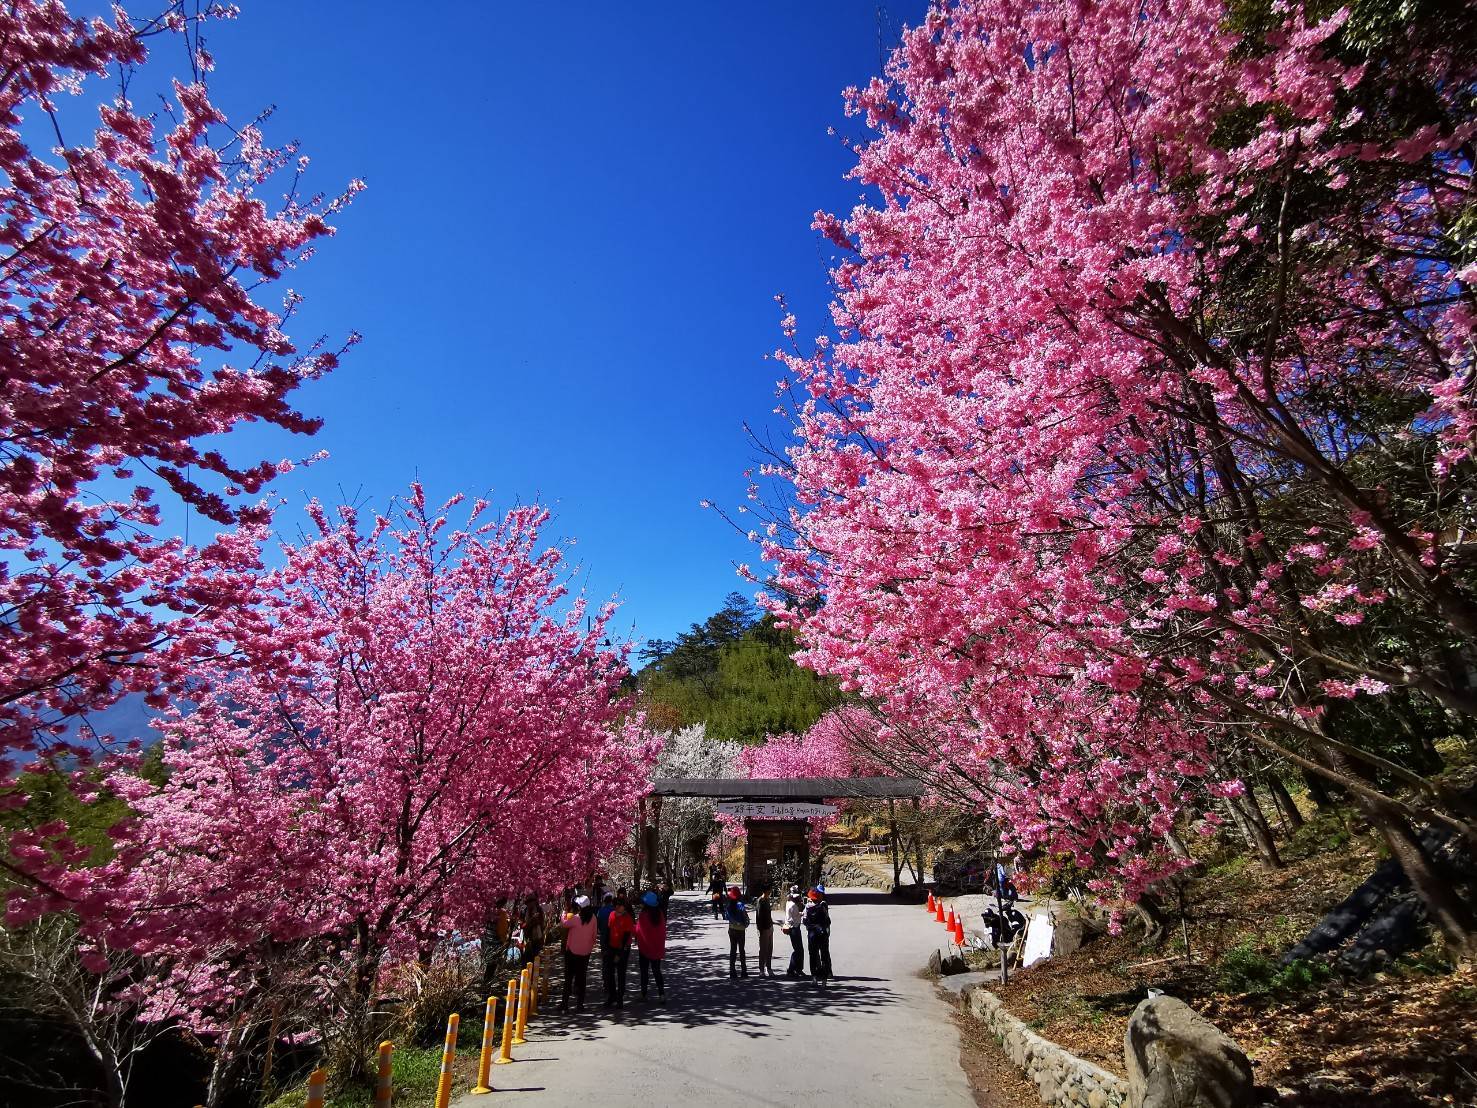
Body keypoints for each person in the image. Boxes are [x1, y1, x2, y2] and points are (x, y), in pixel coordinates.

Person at [560, 895, 598, 1012]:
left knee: (568, 978)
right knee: (582, 978)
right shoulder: (593, 919)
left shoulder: (576, 918)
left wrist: (563, 913)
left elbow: (564, 923)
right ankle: (580, 1005)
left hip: (571, 952)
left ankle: (565, 1004)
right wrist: (589, 948)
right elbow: (594, 936)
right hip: (585, 953)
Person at [634, 890, 667, 1002]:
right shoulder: (660, 914)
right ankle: (661, 993)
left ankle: (643, 993)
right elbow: (663, 931)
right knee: (656, 970)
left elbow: (638, 930)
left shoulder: (644, 915)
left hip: (644, 947)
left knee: (644, 971)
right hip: (656, 947)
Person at [604, 894, 634, 1008]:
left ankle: (620, 998)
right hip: (611, 946)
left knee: (621, 973)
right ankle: (612, 996)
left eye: (620, 905)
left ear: (624, 907)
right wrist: (606, 948)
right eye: (616, 905)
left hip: (622, 948)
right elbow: (608, 930)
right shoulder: (611, 915)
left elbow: (626, 937)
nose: (617, 907)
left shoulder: (627, 918)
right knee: (609, 972)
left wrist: (619, 954)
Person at [803, 885, 832, 982]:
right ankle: (824, 978)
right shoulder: (822, 906)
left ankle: (814, 977)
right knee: (824, 954)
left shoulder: (807, 907)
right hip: (822, 934)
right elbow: (828, 921)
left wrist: (810, 926)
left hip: (812, 935)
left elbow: (805, 921)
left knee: (813, 955)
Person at [725, 885, 750, 978]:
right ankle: (744, 971)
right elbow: (746, 918)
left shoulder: (728, 906)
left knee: (733, 950)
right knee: (742, 950)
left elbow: (727, 917)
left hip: (731, 930)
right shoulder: (741, 905)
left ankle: (732, 971)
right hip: (741, 931)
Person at [783, 885, 807, 978]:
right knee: (798, 950)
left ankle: (798, 969)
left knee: (799, 949)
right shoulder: (793, 905)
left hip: (792, 926)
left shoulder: (788, 902)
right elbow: (796, 915)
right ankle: (791, 969)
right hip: (794, 928)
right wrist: (801, 914)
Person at [755, 887, 775, 977]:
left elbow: (769, 914)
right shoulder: (760, 901)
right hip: (763, 928)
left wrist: (772, 925)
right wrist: (759, 929)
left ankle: (768, 967)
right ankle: (761, 969)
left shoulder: (767, 900)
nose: (770, 892)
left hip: (770, 927)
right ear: (765, 891)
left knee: (770, 949)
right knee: (763, 949)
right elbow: (758, 917)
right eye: (769, 891)